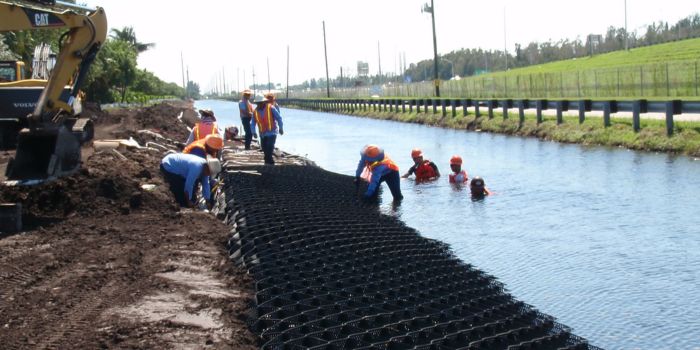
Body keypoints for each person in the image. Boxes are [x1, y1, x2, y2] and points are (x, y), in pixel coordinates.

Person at [251, 96, 283, 165]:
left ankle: (269, 162)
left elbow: (279, 118)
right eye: (257, 103)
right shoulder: (255, 112)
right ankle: (268, 161)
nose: (259, 105)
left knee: (270, 145)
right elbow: (253, 122)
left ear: (264, 102)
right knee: (264, 147)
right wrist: (253, 132)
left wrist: (281, 127)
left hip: (272, 132)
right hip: (262, 134)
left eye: (260, 103)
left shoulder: (271, 108)